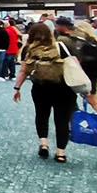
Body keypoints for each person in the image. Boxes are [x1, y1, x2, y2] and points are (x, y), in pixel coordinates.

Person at [13, 22, 75, 163]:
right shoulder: (60, 46)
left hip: (40, 87)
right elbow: (74, 65)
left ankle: (44, 144)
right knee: (62, 120)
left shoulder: (27, 49)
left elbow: (23, 71)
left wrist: (17, 88)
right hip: (63, 88)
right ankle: (61, 153)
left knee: (41, 115)